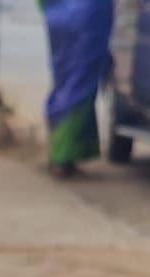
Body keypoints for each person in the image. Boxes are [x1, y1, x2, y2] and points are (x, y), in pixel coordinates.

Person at [38, 0, 114, 177]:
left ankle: (63, 155)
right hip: (86, 21)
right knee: (78, 87)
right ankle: (63, 156)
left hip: (60, 19)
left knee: (66, 82)